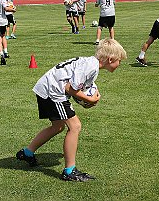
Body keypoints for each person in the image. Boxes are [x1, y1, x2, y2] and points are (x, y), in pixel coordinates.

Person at [16, 38, 127, 182]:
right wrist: (90, 100)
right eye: (120, 61)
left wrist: (85, 99)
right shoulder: (91, 67)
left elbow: (75, 87)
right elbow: (70, 88)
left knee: (58, 127)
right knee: (75, 126)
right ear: (111, 59)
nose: (120, 64)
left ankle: (27, 153)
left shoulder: (91, 64)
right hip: (53, 91)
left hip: (47, 87)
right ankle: (69, 170)